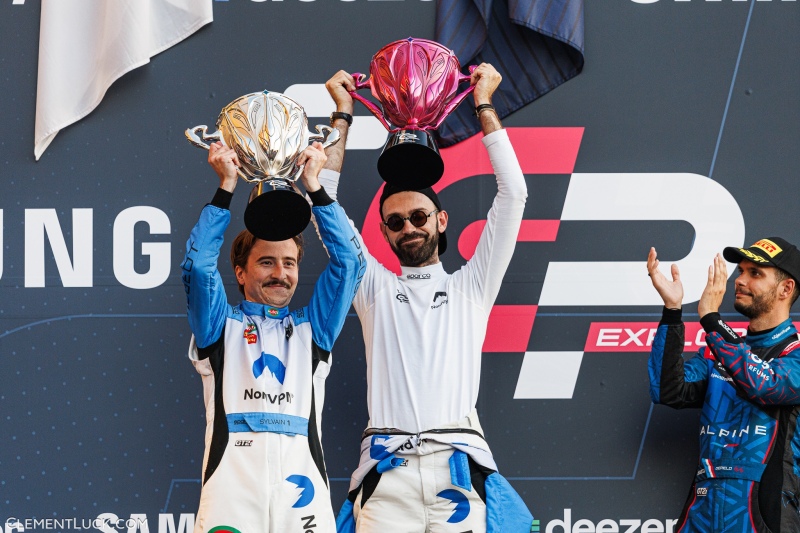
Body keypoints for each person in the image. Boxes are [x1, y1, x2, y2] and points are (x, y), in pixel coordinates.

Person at [321, 64, 533, 533]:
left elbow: (513, 194)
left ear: (441, 220)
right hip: (387, 475)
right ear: (383, 234)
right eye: (395, 222)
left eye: (419, 216)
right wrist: (342, 114)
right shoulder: (373, 287)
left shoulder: (471, 286)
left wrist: (483, 104)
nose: (409, 227)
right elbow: (326, 208)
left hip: (457, 469)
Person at [181, 140, 363, 533]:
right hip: (231, 493)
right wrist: (226, 186)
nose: (281, 273)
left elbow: (350, 262)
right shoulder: (219, 326)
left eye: (290, 263)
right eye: (266, 262)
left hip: (303, 498)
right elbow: (197, 267)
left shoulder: (313, 328)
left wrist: (314, 187)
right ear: (241, 272)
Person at [647, 238, 800, 532]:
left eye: (755, 273)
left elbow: (764, 385)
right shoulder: (717, 353)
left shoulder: (794, 355)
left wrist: (712, 320)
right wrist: (672, 310)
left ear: (786, 288)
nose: (739, 280)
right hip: (702, 509)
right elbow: (667, 389)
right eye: (740, 271)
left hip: (763, 514)